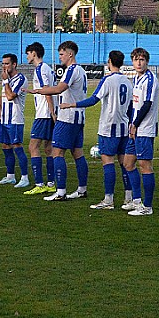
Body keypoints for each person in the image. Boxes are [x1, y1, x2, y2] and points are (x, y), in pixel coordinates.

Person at [60, 50, 133, 209]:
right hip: (124, 128)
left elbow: (94, 99)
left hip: (109, 128)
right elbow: (131, 107)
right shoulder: (128, 81)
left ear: (109, 62)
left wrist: (72, 104)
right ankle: (129, 198)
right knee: (124, 163)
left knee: (107, 162)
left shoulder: (107, 80)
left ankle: (109, 200)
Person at [26, 41, 89, 201]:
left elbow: (59, 88)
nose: (60, 57)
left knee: (57, 152)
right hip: (79, 118)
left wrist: (38, 90)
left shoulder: (71, 70)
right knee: (77, 153)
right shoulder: (81, 70)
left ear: (70, 54)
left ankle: (60, 191)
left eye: (62, 54)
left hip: (67, 117)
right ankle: (82, 189)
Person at [122, 47, 159, 216]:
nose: (139, 62)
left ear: (147, 62)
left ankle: (147, 206)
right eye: (136, 59)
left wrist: (135, 124)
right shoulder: (137, 78)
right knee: (128, 163)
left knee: (145, 166)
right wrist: (131, 123)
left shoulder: (150, 79)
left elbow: (147, 104)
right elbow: (134, 105)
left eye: (142, 60)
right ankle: (136, 200)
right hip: (135, 128)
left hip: (145, 129)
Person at [23, 42, 56, 195]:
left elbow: (47, 91)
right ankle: (51, 183)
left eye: (28, 53)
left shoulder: (41, 69)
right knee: (48, 149)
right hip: (48, 113)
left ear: (34, 53)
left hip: (44, 114)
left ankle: (39, 183)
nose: (27, 56)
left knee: (33, 147)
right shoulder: (47, 68)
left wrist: (51, 112)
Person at [0, 53, 30, 188]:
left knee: (17, 147)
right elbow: (3, 96)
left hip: (15, 119)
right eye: (3, 63)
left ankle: (25, 178)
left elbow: (10, 96)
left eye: (7, 63)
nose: (4, 66)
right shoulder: (7, 79)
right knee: (5, 146)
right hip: (5, 119)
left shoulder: (20, 79)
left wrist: (5, 81)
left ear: (14, 64)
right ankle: (10, 176)